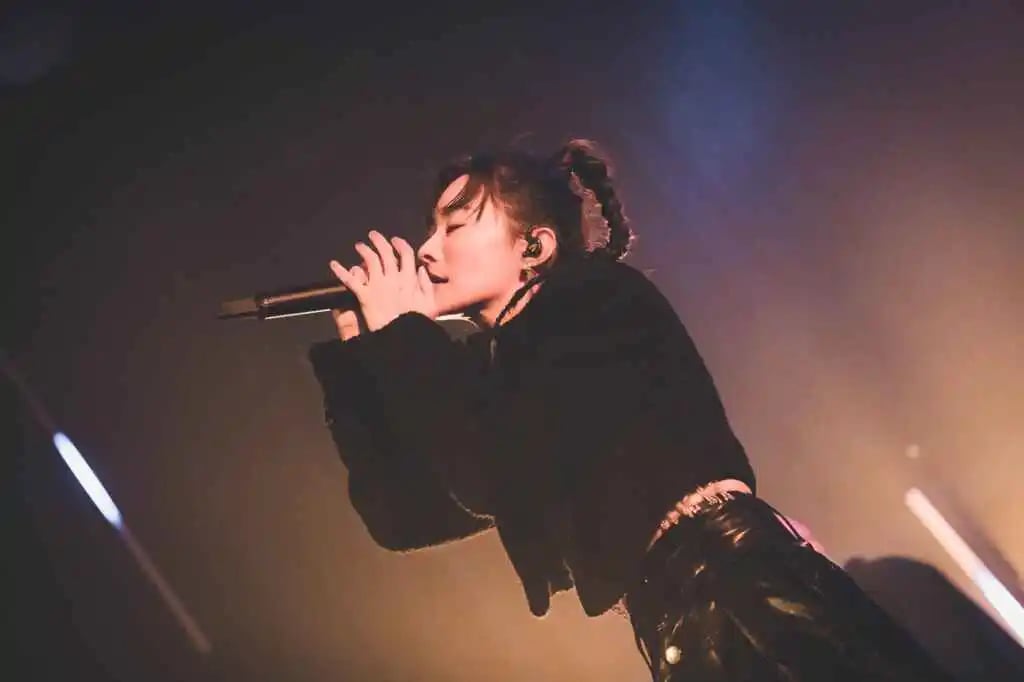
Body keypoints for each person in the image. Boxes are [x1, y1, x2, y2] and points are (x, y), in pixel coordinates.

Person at [307, 139, 952, 681]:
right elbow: (403, 515)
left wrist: (404, 338)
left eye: (452, 227)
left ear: (535, 246)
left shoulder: (592, 300)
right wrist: (356, 369)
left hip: (741, 596)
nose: (425, 250)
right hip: (679, 620)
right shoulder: (498, 371)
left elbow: (486, 468)